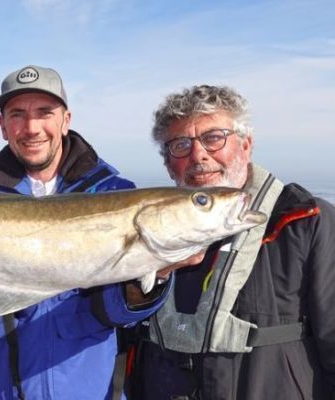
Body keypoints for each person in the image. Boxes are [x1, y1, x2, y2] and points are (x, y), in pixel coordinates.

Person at [0, 65, 198, 399]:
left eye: (45, 113)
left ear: (65, 119)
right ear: (3, 127)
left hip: (84, 389)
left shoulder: (115, 193)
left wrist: (153, 277)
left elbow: (115, 311)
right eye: (17, 114)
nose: (32, 127)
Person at [127, 84, 335, 399]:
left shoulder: (305, 219)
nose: (198, 154)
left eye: (213, 138)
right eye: (180, 145)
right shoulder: (145, 227)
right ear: (169, 164)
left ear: (246, 145)